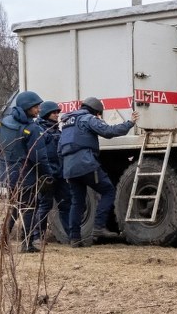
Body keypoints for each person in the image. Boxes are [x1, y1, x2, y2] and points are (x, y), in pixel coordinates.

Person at [58, 97, 138, 247]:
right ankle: (98, 227)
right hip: (86, 165)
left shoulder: (67, 123)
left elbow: (59, 149)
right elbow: (108, 131)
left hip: (69, 168)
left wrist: (65, 169)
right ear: (96, 111)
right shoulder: (88, 119)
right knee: (108, 191)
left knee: (77, 202)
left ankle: (74, 238)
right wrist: (130, 123)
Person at [0, 90, 45, 253]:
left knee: (14, 207)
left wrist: (4, 166)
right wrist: (47, 173)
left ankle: (3, 241)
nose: (38, 110)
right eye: (36, 107)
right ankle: (27, 244)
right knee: (29, 208)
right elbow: (38, 156)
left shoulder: (3, 123)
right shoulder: (31, 128)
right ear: (27, 107)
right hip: (26, 175)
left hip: (8, 174)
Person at [30, 101, 70, 247]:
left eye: (58, 112)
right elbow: (41, 154)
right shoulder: (39, 130)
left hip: (59, 173)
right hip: (47, 174)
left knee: (66, 203)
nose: (57, 114)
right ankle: (37, 237)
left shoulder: (56, 129)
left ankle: (71, 236)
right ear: (46, 113)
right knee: (45, 205)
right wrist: (45, 172)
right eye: (54, 112)